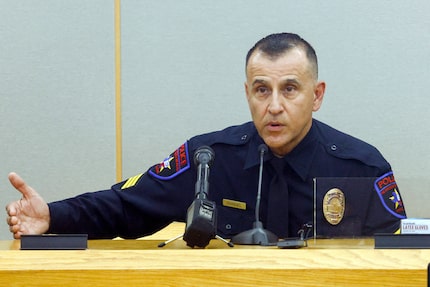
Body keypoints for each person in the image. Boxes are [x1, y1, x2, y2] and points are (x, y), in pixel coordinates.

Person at [5, 33, 406, 241]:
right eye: (262, 89)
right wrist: (53, 216)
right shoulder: (208, 159)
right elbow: (127, 207)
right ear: (247, 93)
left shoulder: (362, 167)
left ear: (316, 95)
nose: (274, 106)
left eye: (290, 89)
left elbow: (400, 257)